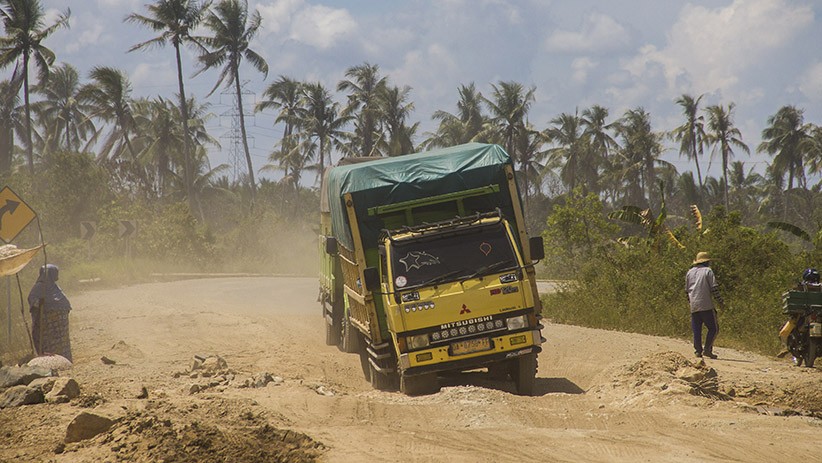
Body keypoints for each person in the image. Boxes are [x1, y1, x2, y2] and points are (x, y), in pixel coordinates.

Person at [28, 264, 73, 362]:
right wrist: (40, 303)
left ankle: (61, 360)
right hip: (48, 321)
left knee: (55, 341)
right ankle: (54, 360)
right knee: (51, 341)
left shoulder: (52, 287)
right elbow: (34, 300)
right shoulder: (41, 287)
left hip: (53, 323)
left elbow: (32, 300)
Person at [685, 251, 724, 359]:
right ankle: (707, 349)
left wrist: (691, 302)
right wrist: (720, 301)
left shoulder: (689, 272)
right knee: (714, 328)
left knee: (697, 329)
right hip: (706, 304)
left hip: (694, 305)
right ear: (706, 262)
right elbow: (714, 288)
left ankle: (698, 350)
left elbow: (686, 291)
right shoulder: (708, 271)